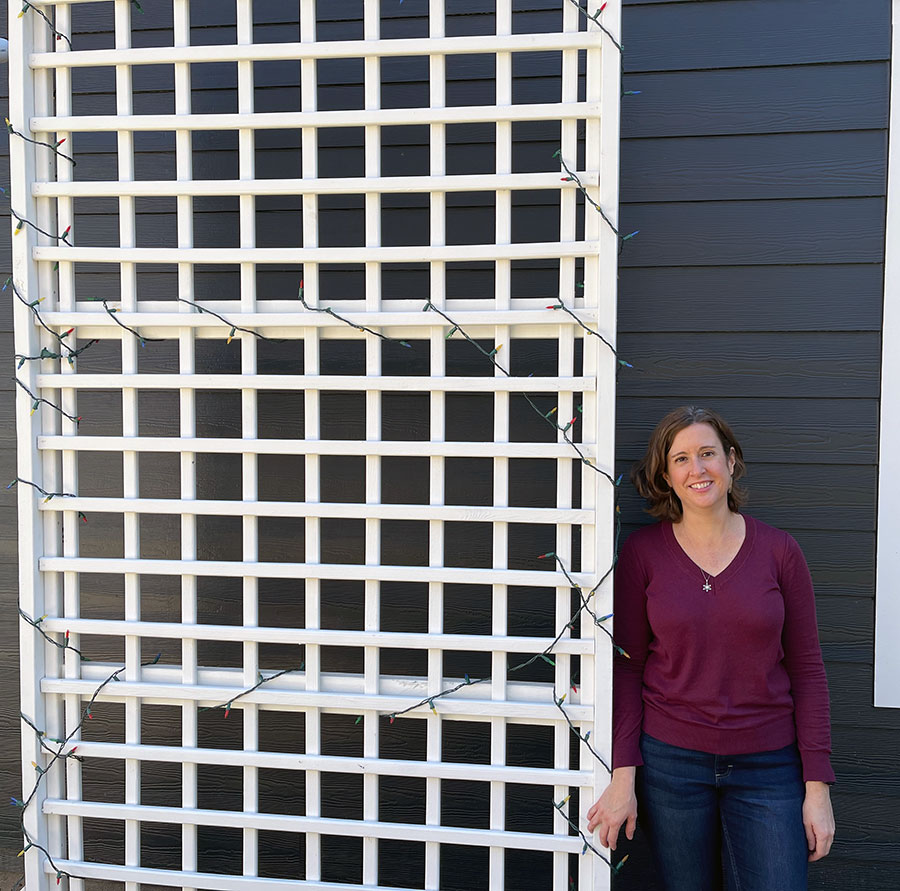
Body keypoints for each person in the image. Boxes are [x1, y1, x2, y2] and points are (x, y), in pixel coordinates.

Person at [587, 406, 835, 891]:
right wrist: (623, 775)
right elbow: (628, 669)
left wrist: (817, 787)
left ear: (732, 461)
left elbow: (808, 671)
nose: (697, 470)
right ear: (666, 475)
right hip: (671, 764)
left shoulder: (780, 552)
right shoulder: (643, 554)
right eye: (681, 459)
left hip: (770, 764)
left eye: (707, 454)